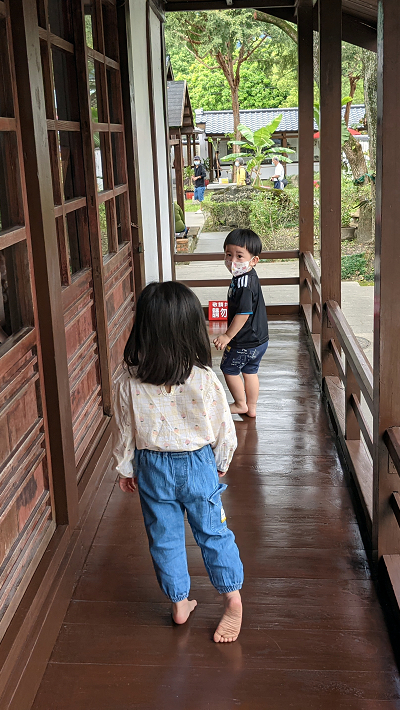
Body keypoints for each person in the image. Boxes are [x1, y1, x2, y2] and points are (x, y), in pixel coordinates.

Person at [112, 281, 244, 643]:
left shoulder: (129, 381)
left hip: (152, 466)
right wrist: (222, 462)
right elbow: (223, 428)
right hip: (197, 464)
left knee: (164, 537)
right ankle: (232, 598)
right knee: (213, 532)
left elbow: (125, 430)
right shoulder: (203, 378)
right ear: (190, 330)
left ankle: (179, 603)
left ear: (143, 329)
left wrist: (126, 468)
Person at [213, 228, 268, 418]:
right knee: (250, 371)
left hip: (243, 341)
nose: (233, 261)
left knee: (229, 368)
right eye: (229, 255)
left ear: (254, 260)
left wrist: (228, 335)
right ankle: (251, 407)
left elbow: (244, 313)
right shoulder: (246, 277)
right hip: (259, 340)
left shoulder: (244, 284)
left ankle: (240, 403)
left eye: (239, 256)